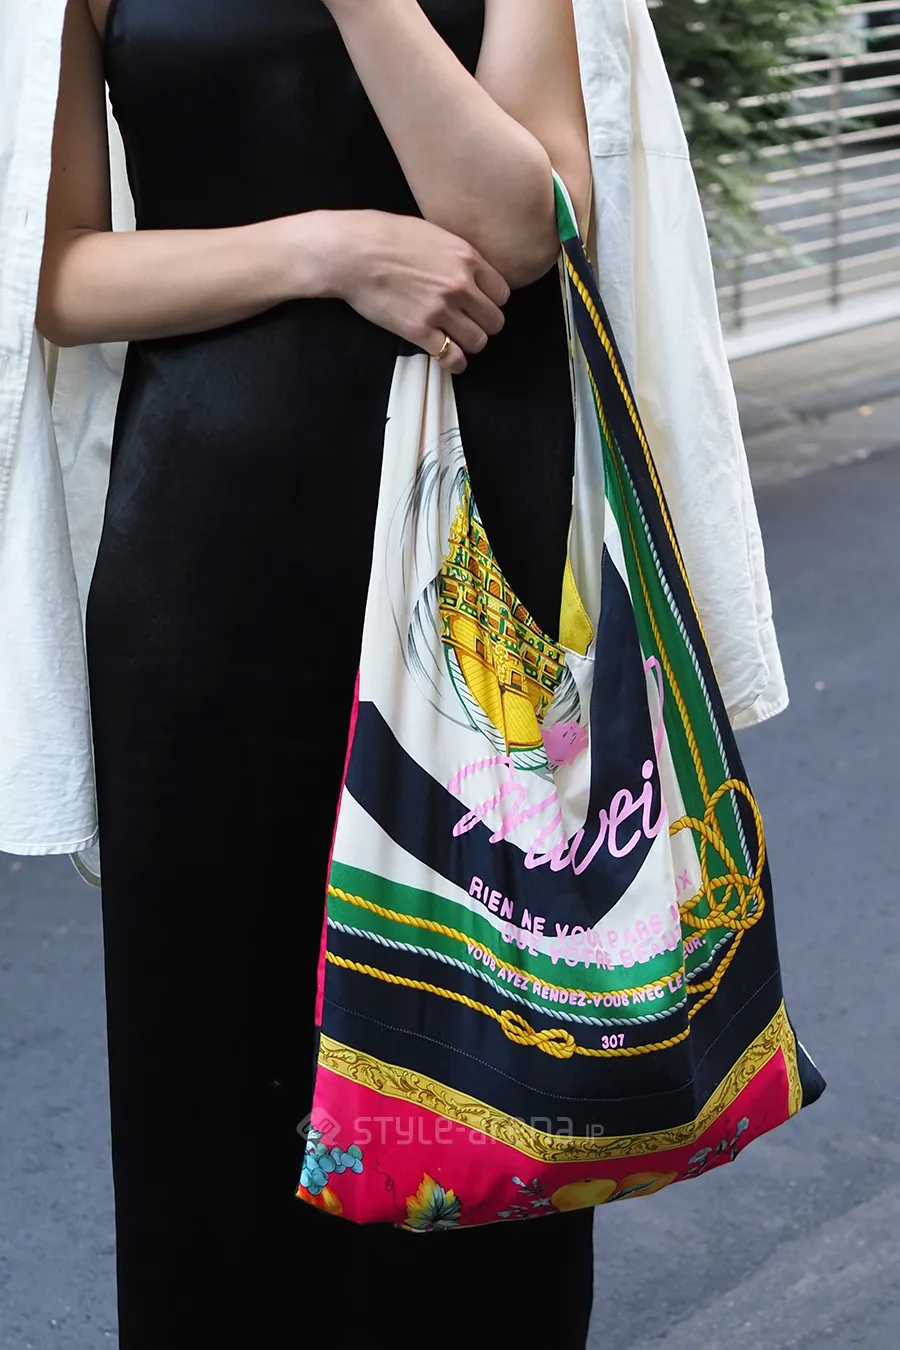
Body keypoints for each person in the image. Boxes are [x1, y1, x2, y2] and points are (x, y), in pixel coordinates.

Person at [36, 1, 597, 1345]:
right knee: (219, 1067)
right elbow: (54, 275)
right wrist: (327, 250)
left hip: (476, 556)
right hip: (207, 560)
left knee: (489, 1037)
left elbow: (525, 223)